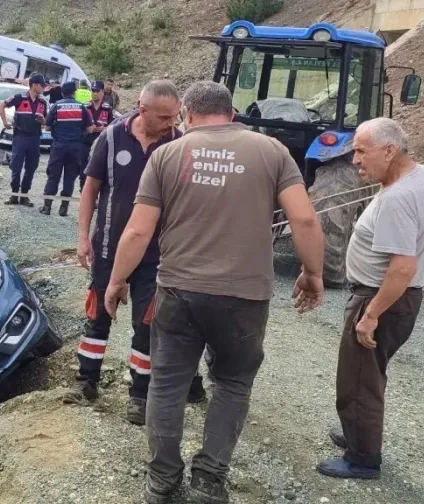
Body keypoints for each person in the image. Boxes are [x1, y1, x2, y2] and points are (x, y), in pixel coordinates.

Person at [104, 81, 325, 504]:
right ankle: (208, 479)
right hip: (244, 297)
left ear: (187, 112)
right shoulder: (272, 151)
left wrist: (116, 281)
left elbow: (137, 229)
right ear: (233, 112)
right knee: (233, 384)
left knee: (166, 386)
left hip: (178, 291)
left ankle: (162, 480)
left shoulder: (167, 154)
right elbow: (306, 220)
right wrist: (313, 273)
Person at [63, 80, 204, 425]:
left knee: (148, 324)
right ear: (142, 110)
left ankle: (139, 395)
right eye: (166, 116)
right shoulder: (111, 138)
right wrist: (83, 237)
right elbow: (90, 190)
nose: (173, 122)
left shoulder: (180, 144)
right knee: (98, 314)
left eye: (176, 116)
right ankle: (86, 381)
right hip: (109, 247)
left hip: (157, 254)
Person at [317, 118, 424, 480]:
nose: (354, 160)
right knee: (367, 372)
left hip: (380, 297)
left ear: (390, 151)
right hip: (396, 298)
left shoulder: (397, 198)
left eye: (362, 151)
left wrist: (371, 314)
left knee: (359, 377)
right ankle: (356, 432)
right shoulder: (414, 179)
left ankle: (362, 458)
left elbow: (401, 269)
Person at [40, 81, 92, 216]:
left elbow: (47, 127)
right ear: (74, 93)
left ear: (62, 93)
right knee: (70, 177)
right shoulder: (82, 108)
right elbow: (90, 129)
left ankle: (47, 207)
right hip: (76, 147)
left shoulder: (57, 106)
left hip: (58, 147)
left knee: (53, 176)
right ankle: (64, 209)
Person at [1, 73, 48, 207]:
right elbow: (1, 106)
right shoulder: (19, 98)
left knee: (31, 168)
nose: (44, 88)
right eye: (42, 85)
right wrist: (5, 123)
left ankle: (24, 196)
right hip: (20, 137)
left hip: (35, 138)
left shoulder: (43, 102)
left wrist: (44, 121)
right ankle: (14, 195)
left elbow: (46, 122)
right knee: (16, 166)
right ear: (34, 85)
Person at [79, 80, 115, 192]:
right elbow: (80, 124)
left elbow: (112, 126)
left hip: (100, 142)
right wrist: (89, 128)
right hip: (86, 142)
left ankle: (94, 195)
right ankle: (83, 192)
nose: (94, 93)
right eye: (93, 91)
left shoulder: (107, 108)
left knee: (97, 169)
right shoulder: (85, 107)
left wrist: (104, 129)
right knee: (83, 169)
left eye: (97, 91)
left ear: (102, 92)